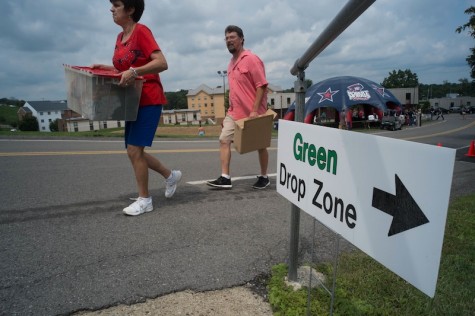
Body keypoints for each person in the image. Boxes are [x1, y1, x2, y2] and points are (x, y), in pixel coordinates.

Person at [92, 0, 181, 216]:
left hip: (149, 98)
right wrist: (108, 68)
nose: (111, 9)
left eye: (117, 5)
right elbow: (124, 67)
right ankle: (171, 176)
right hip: (132, 101)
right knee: (134, 152)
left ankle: (145, 200)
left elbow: (161, 62)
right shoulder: (119, 38)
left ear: (130, 9)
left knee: (134, 150)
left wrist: (134, 72)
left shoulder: (141, 32)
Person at [207, 25, 269, 190]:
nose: (229, 41)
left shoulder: (251, 59)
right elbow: (235, 91)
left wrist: (255, 110)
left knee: (260, 145)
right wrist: (229, 113)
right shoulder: (230, 64)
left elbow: (261, 86)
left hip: (253, 112)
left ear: (241, 39)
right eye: (226, 38)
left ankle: (264, 177)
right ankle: (225, 177)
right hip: (234, 113)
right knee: (223, 139)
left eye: (232, 37)